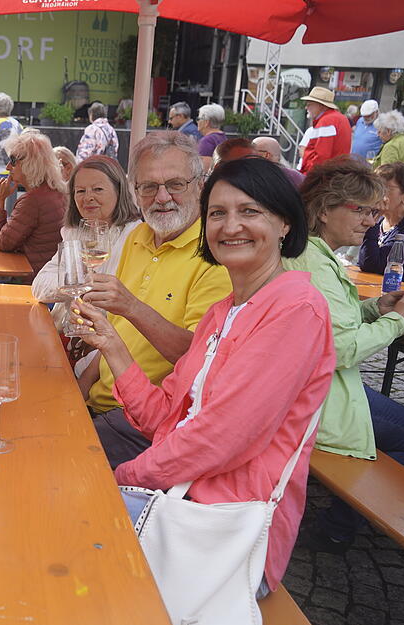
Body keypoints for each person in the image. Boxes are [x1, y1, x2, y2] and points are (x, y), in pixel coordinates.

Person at [73, 156, 335, 596]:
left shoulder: (296, 309)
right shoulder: (224, 313)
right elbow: (165, 418)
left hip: (223, 535)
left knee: (61, 531)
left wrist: (119, 477)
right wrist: (112, 346)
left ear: (285, 223)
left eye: (249, 211)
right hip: (178, 507)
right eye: (218, 213)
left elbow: (218, 439)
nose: (230, 226)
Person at [282, 157, 404, 552]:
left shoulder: (310, 254)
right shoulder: (315, 264)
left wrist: (375, 309)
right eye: (361, 210)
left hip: (308, 389)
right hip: (319, 399)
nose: (372, 221)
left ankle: (340, 521)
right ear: (324, 209)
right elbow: (341, 349)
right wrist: (398, 322)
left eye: (376, 211)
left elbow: (325, 326)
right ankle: (338, 527)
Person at [78, 131, 232, 468]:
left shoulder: (217, 256)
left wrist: (132, 306)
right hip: (105, 401)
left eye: (175, 184)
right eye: (148, 187)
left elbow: (196, 358)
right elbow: (116, 329)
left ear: (200, 185)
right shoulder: (138, 235)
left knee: (53, 460)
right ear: (134, 192)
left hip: (150, 420)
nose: (162, 197)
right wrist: (81, 385)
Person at [32, 156, 141, 329]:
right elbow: (39, 287)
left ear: (119, 191)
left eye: (97, 189)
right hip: (63, 332)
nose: (88, 197)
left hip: (106, 342)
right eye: (80, 191)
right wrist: (79, 282)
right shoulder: (75, 233)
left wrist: (71, 282)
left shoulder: (136, 235)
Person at [0, 131, 68, 276]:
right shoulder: (57, 190)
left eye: (13, 161)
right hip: (52, 273)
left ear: (30, 164)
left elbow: (3, 243)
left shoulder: (32, 201)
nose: (8, 167)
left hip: (33, 278)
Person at [358, 163, 404, 284]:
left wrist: (374, 217)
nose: (377, 194)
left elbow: (373, 265)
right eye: (376, 187)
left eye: (385, 188)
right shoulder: (381, 220)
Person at [298, 86, 351, 175]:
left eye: (309, 104)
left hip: (324, 176)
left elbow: (321, 157)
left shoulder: (326, 122)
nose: (306, 108)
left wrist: (309, 178)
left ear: (321, 106)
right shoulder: (339, 118)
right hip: (336, 173)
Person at [195, 103, 227, 171]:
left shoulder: (207, 141)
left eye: (198, 118)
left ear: (206, 122)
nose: (197, 121)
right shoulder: (223, 137)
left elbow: (204, 170)